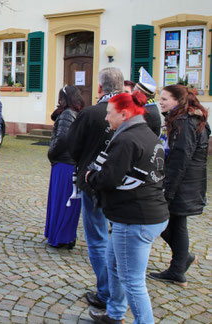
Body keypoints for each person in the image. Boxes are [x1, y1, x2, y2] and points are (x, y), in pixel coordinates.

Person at [86, 91, 169, 324]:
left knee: (132, 280)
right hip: (141, 214)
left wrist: (91, 175)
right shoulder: (147, 133)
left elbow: (108, 179)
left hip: (135, 218)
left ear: (124, 114)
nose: (106, 119)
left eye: (109, 114)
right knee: (113, 265)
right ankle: (114, 314)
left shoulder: (126, 140)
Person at [68, 67, 124, 311]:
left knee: (98, 239)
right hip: (124, 184)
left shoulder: (90, 113)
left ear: (99, 88)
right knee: (118, 239)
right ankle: (116, 293)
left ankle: (105, 292)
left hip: (93, 183)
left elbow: (73, 147)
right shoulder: (133, 113)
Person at [147, 84, 209, 287]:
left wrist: (168, 191)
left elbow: (179, 159)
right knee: (175, 224)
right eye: (160, 98)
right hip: (185, 183)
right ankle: (180, 264)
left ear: (178, 101)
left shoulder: (184, 122)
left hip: (182, 184)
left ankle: (179, 265)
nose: (160, 102)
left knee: (163, 222)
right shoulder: (181, 119)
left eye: (165, 99)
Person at [44, 85, 84, 248]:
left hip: (64, 164)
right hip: (67, 163)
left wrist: (51, 154)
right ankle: (64, 236)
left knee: (63, 201)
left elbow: (62, 139)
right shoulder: (74, 113)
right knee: (65, 200)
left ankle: (62, 237)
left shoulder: (68, 114)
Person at [126, 68, 161, 136]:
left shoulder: (148, 111)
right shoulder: (150, 106)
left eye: (134, 90)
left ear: (140, 93)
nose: (131, 93)